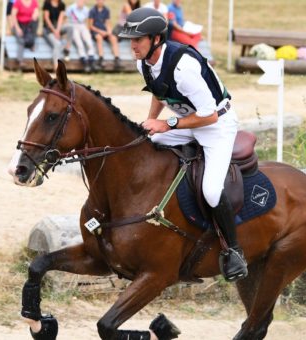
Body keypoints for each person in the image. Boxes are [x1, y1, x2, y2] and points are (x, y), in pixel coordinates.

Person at [118, 8, 247, 282]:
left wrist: (168, 124)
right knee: (143, 143)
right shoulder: (143, 62)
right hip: (188, 121)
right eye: (130, 39)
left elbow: (209, 115)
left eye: (137, 39)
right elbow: (158, 90)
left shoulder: (183, 67)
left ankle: (234, 251)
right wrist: (151, 121)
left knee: (212, 191)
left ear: (155, 39)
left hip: (216, 126)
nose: (132, 44)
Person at [88, 0, 121, 70]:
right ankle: (101, 58)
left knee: (113, 38)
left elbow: (107, 23)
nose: (101, 1)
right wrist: (100, 32)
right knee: (99, 38)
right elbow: (90, 26)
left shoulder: (106, 10)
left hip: (104, 30)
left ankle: (117, 59)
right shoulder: (92, 10)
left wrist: (109, 31)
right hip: (95, 31)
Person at [67, 0, 98, 73]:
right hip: (73, 25)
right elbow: (66, 18)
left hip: (82, 25)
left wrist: (88, 31)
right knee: (79, 42)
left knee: (89, 41)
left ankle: (91, 59)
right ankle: (84, 61)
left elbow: (86, 21)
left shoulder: (86, 9)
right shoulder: (71, 8)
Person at [43, 0, 72, 69]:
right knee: (57, 44)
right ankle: (56, 69)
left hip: (57, 28)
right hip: (48, 29)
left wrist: (58, 30)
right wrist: (54, 31)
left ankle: (67, 49)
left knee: (70, 28)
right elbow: (46, 19)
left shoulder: (62, 4)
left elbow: (60, 19)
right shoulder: (47, 3)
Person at [10, 0, 39, 68]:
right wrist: (17, 28)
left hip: (28, 26)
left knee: (36, 21)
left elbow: (36, 12)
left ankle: (32, 43)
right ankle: (20, 61)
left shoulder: (34, 2)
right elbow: (13, 15)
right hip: (18, 25)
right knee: (21, 40)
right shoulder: (18, 2)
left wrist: (35, 15)